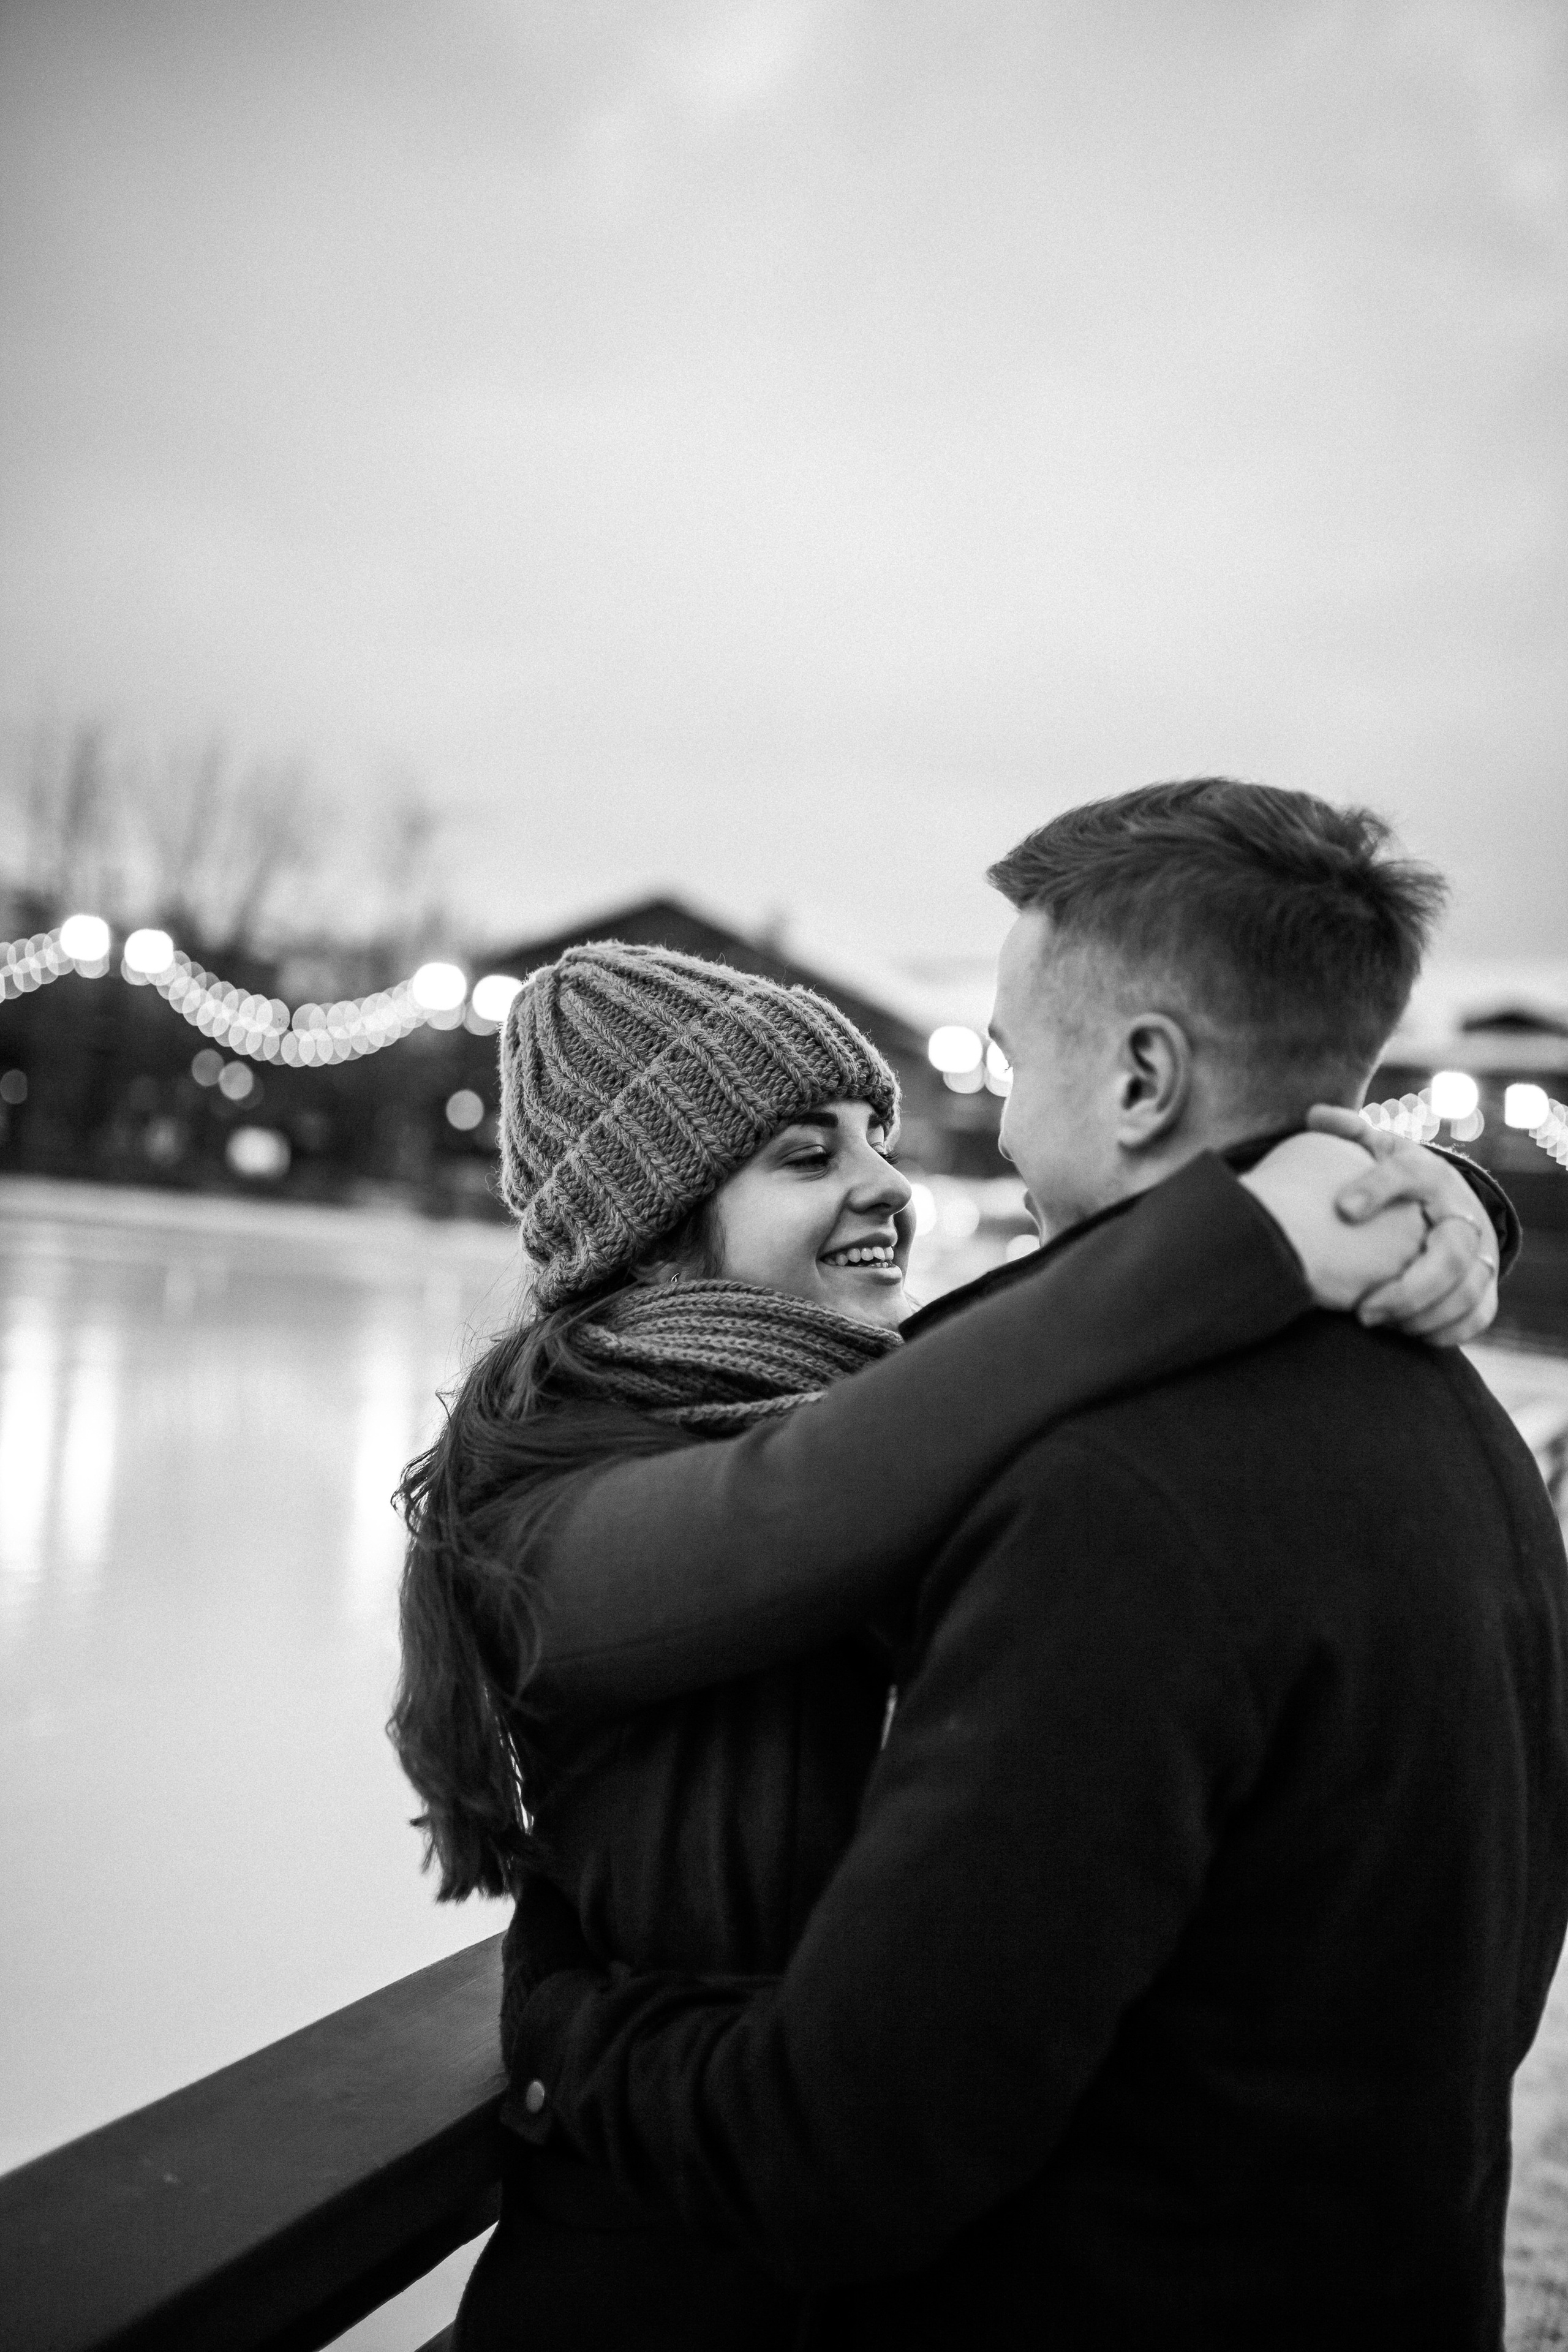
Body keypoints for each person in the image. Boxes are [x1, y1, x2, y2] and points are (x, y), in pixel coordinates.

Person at [391, 839, 1508, 2348]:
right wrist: (1257, 1217)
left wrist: (1413, 1193)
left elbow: (958, 1384)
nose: (887, 1188)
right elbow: (794, 1504)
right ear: (644, 1223)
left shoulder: (898, 1417)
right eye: (806, 1155)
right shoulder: (539, 1497)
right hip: (650, 2297)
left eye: (875, 1135)